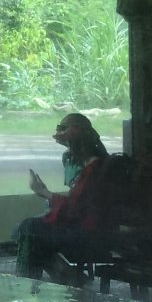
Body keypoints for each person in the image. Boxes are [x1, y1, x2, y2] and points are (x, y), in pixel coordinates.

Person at [14, 113, 111, 275]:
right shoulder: (96, 166)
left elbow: (77, 209)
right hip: (92, 228)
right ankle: (69, 277)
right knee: (30, 235)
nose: (68, 151)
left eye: (69, 145)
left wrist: (44, 192)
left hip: (89, 232)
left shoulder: (95, 169)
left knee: (28, 228)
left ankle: (27, 282)